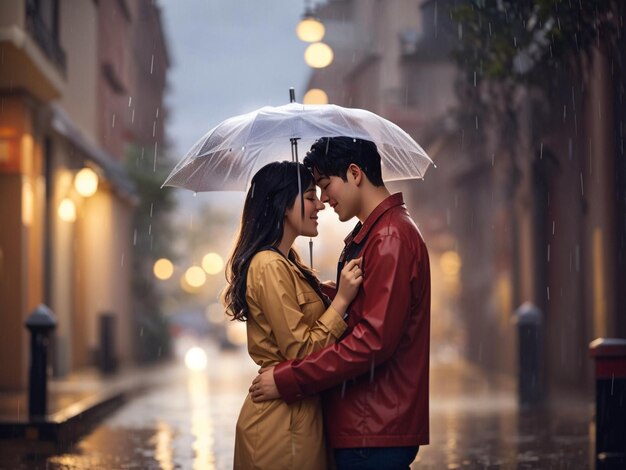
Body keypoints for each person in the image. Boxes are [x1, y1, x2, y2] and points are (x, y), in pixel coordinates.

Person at [250, 137, 431, 470]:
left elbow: (372, 341)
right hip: (365, 425)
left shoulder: (389, 237)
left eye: (324, 185)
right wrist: (323, 293)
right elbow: (367, 310)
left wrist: (288, 379)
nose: (322, 200)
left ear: (354, 173)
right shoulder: (375, 235)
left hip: (372, 427)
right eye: (313, 192)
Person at [224, 161, 364, 470]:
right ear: (284, 204)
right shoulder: (269, 266)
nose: (320, 206)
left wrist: (326, 294)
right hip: (280, 425)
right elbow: (300, 351)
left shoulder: (286, 265)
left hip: (298, 416)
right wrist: (341, 301)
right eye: (311, 197)